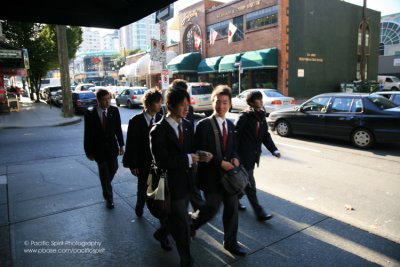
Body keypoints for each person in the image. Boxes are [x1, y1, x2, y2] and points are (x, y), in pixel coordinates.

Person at [192, 85, 247, 256]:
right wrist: (221, 163)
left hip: (229, 178)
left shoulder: (230, 125)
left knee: (232, 209)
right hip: (211, 177)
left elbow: (233, 149)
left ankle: (230, 243)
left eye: (225, 103)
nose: (221, 106)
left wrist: (236, 157)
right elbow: (199, 152)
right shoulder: (203, 125)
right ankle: (190, 224)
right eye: (218, 102)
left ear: (230, 104)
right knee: (210, 209)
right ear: (212, 102)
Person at [150, 88, 200, 267]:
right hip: (171, 186)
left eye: (188, 105)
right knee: (183, 226)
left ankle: (161, 234)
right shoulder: (158, 131)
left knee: (177, 219)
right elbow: (162, 161)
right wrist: (186, 158)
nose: (187, 109)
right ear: (170, 106)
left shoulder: (187, 125)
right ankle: (187, 261)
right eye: (183, 105)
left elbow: (190, 149)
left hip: (189, 184)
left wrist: (199, 154)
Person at [122, 88, 172, 251]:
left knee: (161, 196)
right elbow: (132, 145)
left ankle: (163, 233)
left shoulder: (162, 120)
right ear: (149, 103)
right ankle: (140, 203)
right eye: (157, 102)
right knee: (143, 188)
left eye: (161, 101)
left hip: (159, 166)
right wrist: (133, 164)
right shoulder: (136, 121)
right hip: (143, 165)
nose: (160, 105)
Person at [235, 90, 280, 221]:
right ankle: (259, 213)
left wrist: (274, 150)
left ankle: (235, 200)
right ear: (251, 102)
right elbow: (235, 138)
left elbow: (265, 135)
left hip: (253, 157)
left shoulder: (261, 115)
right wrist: (235, 156)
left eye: (261, 99)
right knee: (250, 186)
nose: (261, 101)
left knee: (244, 184)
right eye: (258, 99)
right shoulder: (244, 117)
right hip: (242, 158)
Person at [84, 89, 124, 209]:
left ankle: (106, 185)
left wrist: (121, 145)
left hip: (112, 148)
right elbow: (88, 134)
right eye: (104, 100)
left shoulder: (114, 110)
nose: (107, 102)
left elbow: (118, 129)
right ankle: (109, 198)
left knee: (114, 168)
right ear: (98, 101)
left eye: (109, 99)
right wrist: (88, 152)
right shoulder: (90, 113)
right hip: (98, 150)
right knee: (103, 172)